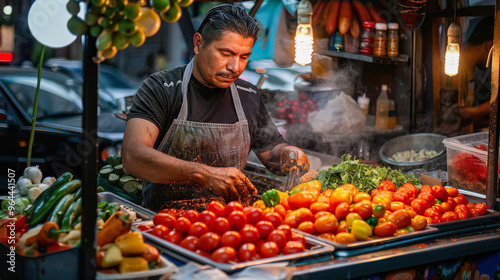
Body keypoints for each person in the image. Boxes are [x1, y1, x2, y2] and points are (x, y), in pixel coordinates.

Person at [121, 4, 310, 211]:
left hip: (231, 226)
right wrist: (205, 175)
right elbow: (133, 156)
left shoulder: (248, 95)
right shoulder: (161, 88)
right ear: (198, 43)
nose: (235, 67)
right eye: (225, 53)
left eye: (244, 57)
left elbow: (271, 153)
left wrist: (288, 154)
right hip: (166, 224)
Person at [458, 16, 494, 133]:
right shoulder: (457, 65)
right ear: (490, 46)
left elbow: (470, 117)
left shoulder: (470, 68)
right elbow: (458, 117)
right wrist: (493, 103)